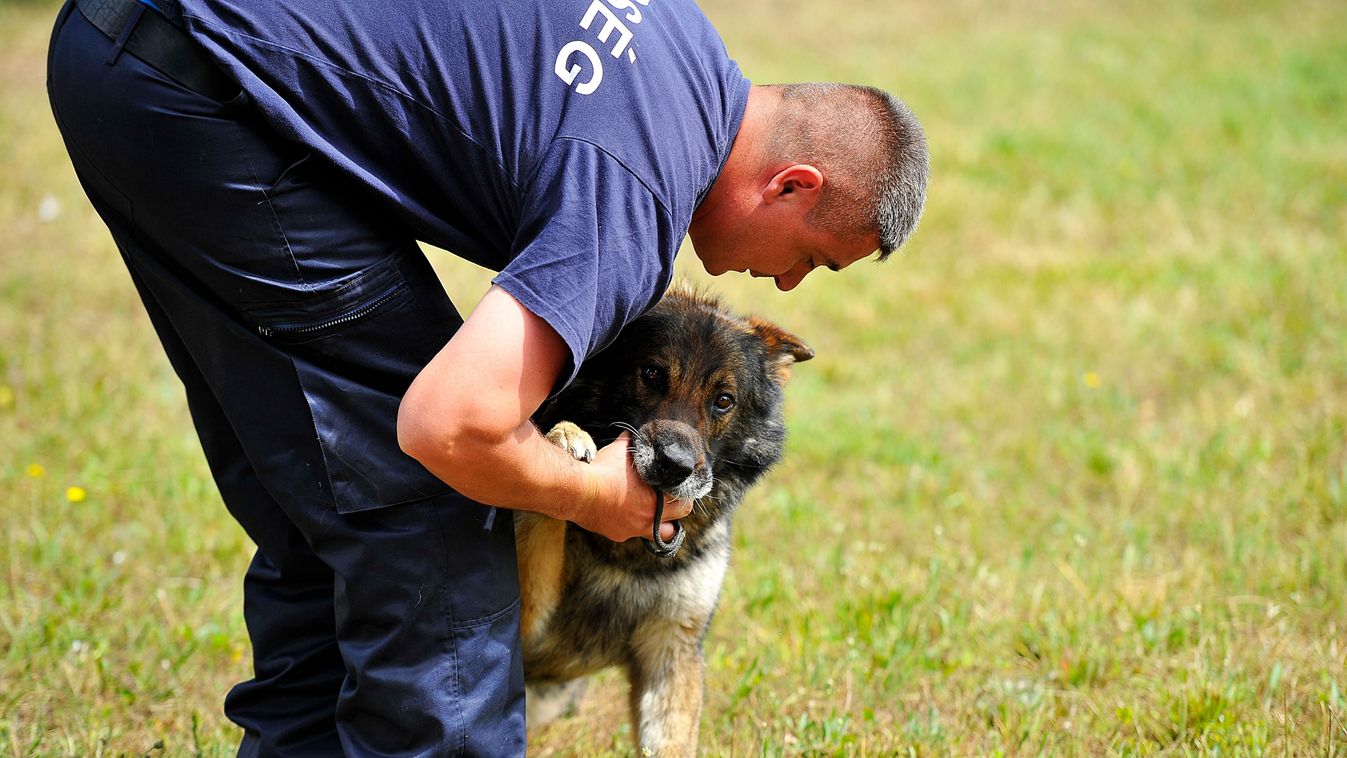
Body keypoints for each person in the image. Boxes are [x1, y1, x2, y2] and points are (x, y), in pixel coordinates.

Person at [47, 0, 928, 754]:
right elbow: (449, 425)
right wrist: (589, 499)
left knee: (325, 510)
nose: (784, 285)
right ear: (791, 185)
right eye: (811, 258)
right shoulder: (635, 188)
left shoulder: (678, 47)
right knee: (435, 521)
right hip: (202, 92)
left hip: (134, 54)